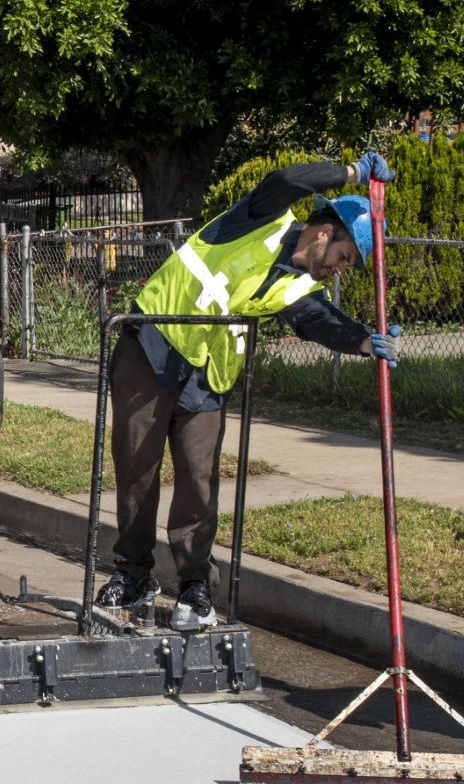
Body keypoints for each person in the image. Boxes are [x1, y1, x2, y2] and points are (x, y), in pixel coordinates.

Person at [95, 152, 401, 631]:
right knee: (137, 468)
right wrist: (352, 174)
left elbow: (318, 321)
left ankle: (195, 587)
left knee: (198, 480)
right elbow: (286, 178)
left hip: (206, 375)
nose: (340, 270)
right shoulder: (263, 217)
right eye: (343, 258)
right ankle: (134, 575)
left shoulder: (297, 286)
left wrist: (363, 339)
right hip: (152, 343)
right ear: (325, 232)